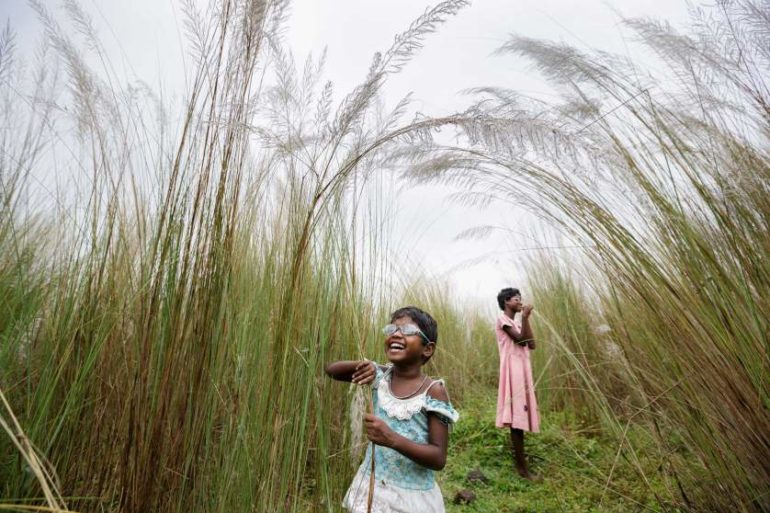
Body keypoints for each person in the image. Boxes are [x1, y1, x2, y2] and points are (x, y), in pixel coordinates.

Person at [326, 306, 459, 513]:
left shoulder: (433, 391)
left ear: (427, 349)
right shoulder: (379, 377)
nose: (396, 334)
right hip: (372, 486)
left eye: (407, 331)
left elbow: (438, 458)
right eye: (392, 329)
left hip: (410, 497)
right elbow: (332, 371)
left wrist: (392, 439)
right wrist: (364, 365)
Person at [495, 287, 540, 480]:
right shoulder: (503, 320)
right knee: (516, 420)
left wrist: (525, 320)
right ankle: (522, 469)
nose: (520, 301)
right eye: (516, 298)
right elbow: (520, 340)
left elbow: (531, 343)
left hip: (522, 371)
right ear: (506, 302)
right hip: (512, 372)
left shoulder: (518, 323)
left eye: (520, 298)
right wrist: (526, 318)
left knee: (519, 417)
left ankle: (522, 466)